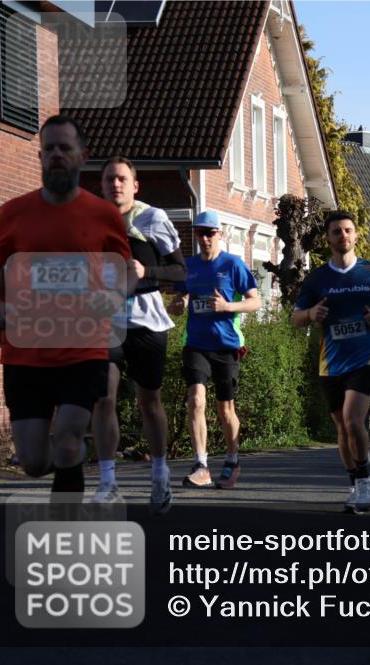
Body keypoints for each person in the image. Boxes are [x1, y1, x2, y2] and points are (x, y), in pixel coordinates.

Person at [0, 115, 135, 500]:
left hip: (82, 349)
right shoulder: (15, 212)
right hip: (25, 351)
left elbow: (127, 270)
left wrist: (115, 296)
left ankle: (66, 528)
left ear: (82, 156)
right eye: (48, 149)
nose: (55, 155)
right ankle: (73, 456)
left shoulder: (103, 215)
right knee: (33, 462)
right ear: (40, 157)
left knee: (65, 441)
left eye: (64, 148)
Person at [293, 211, 370, 513]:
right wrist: (311, 314)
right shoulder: (317, 278)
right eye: (336, 232)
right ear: (328, 239)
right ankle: (355, 481)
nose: (343, 236)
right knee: (342, 429)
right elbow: (296, 317)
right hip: (331, 363)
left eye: (347, 230)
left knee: (353, 418)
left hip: (367, 357)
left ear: (355, 235)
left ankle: (366, 482)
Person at [90, 156, 186, 513]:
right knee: (103, 398)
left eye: (122, 179)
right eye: (109, 179)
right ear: (101, 186)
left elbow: (180, 271)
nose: (115, 184)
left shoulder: (151, 218)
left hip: (147, 320)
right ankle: (107, 481)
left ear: (135, 185)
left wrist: (148, 269)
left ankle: (160, 473)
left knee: (149, 401)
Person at [169, 211, 260, 489]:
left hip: (226, 345)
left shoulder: (233, 265)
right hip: (195, 343)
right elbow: (181, 296)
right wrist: (179, 304)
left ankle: (232, 459)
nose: (205, 238)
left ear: (220, 234)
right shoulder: (190, 265)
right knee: (196, 399)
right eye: (200, 233)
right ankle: (201, 465)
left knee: (225, 409)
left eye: (210, 233)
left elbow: (255, 301)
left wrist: (229, 307)